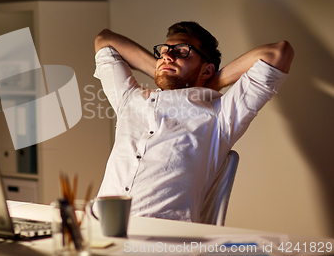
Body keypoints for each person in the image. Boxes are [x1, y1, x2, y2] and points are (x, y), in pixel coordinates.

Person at [93, 21, 294, 222]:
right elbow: (105, 40)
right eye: (163, 52)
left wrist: (213, 81)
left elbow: (278, 53)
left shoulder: (220, 115)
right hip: (100, 227)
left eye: (181, 52)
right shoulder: (130, 99)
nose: (167, 56)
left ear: (207, 70)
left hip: (164, 240)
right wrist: (165, 70)